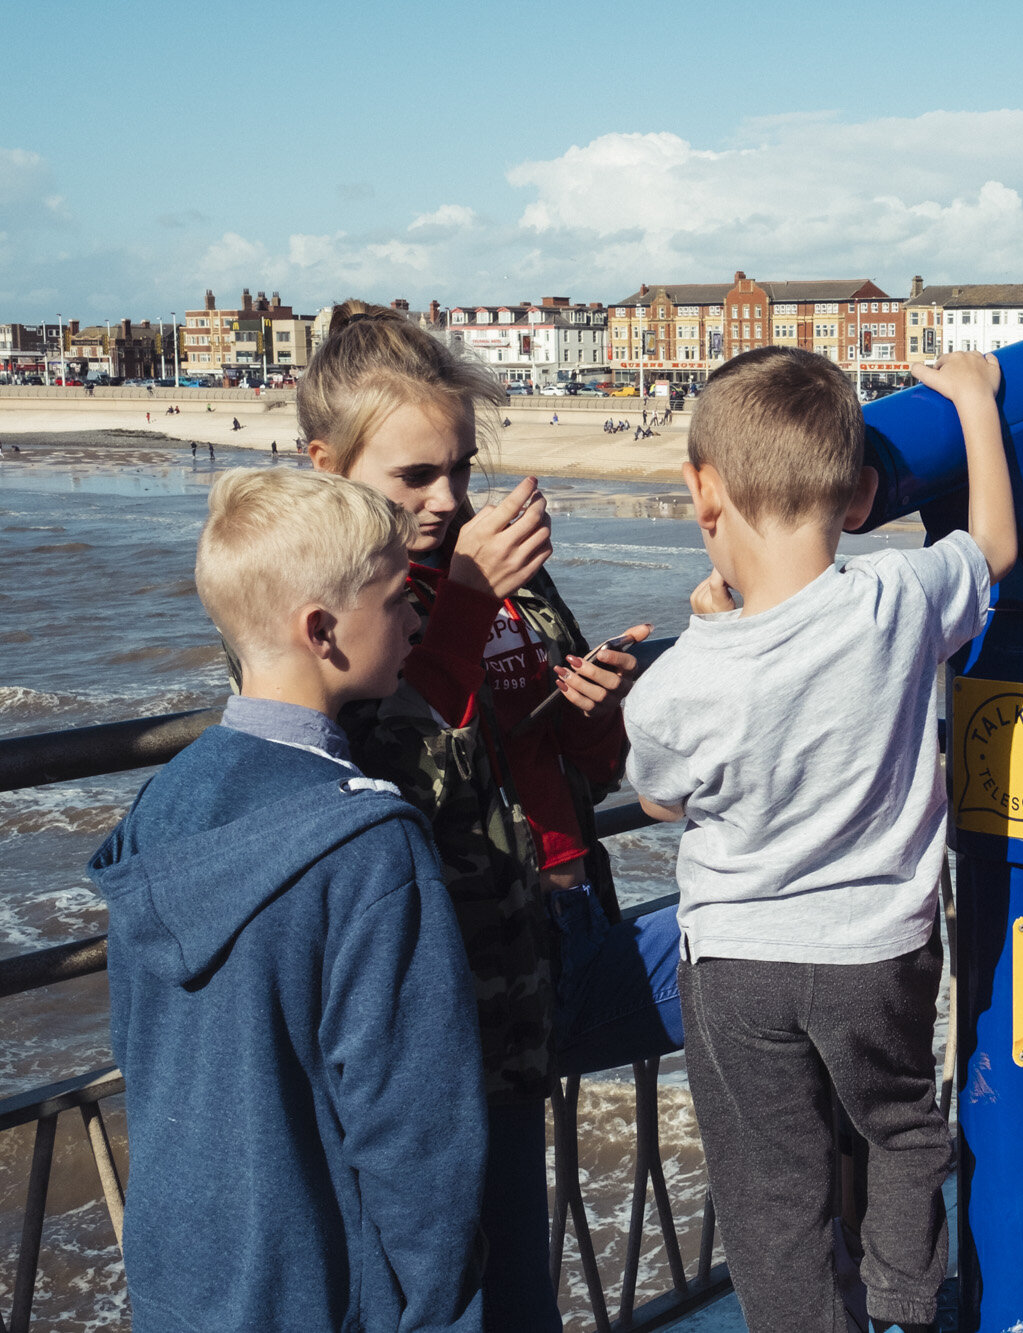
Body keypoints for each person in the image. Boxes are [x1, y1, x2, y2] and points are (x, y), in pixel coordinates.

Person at [298, 300, 683, 1333]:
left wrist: (594, 714)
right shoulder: (327, 603)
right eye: (414, 475)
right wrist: (461, 595)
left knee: (763, 944)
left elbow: (569, 766)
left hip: (570, 926)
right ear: (326, 463)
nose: (448, 499)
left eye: (461, 469)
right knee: (500, 1291)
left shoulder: (509, 575)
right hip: (465, 988)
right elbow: (365, 790)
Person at [623, 346, 1015, 1333]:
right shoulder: (895, 599)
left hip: (737, 960)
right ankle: (900, 1304)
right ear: (861, 497)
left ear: (701, 493)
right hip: (878, 952)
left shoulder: (675, 686)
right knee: (902, 1131)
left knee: (770, 1186)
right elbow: (992, 550)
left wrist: (704, 626)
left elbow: (661, 801)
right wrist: (973, 404)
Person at [88, 467, 485, 1333]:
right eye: (396, 597)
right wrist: (433, 1305)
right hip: (329, 1286)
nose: (417, 615)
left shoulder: (164, 802)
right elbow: (417, 1130)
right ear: (323, 630)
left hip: (185, 1271)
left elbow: (138, 1041)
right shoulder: (372, 846)